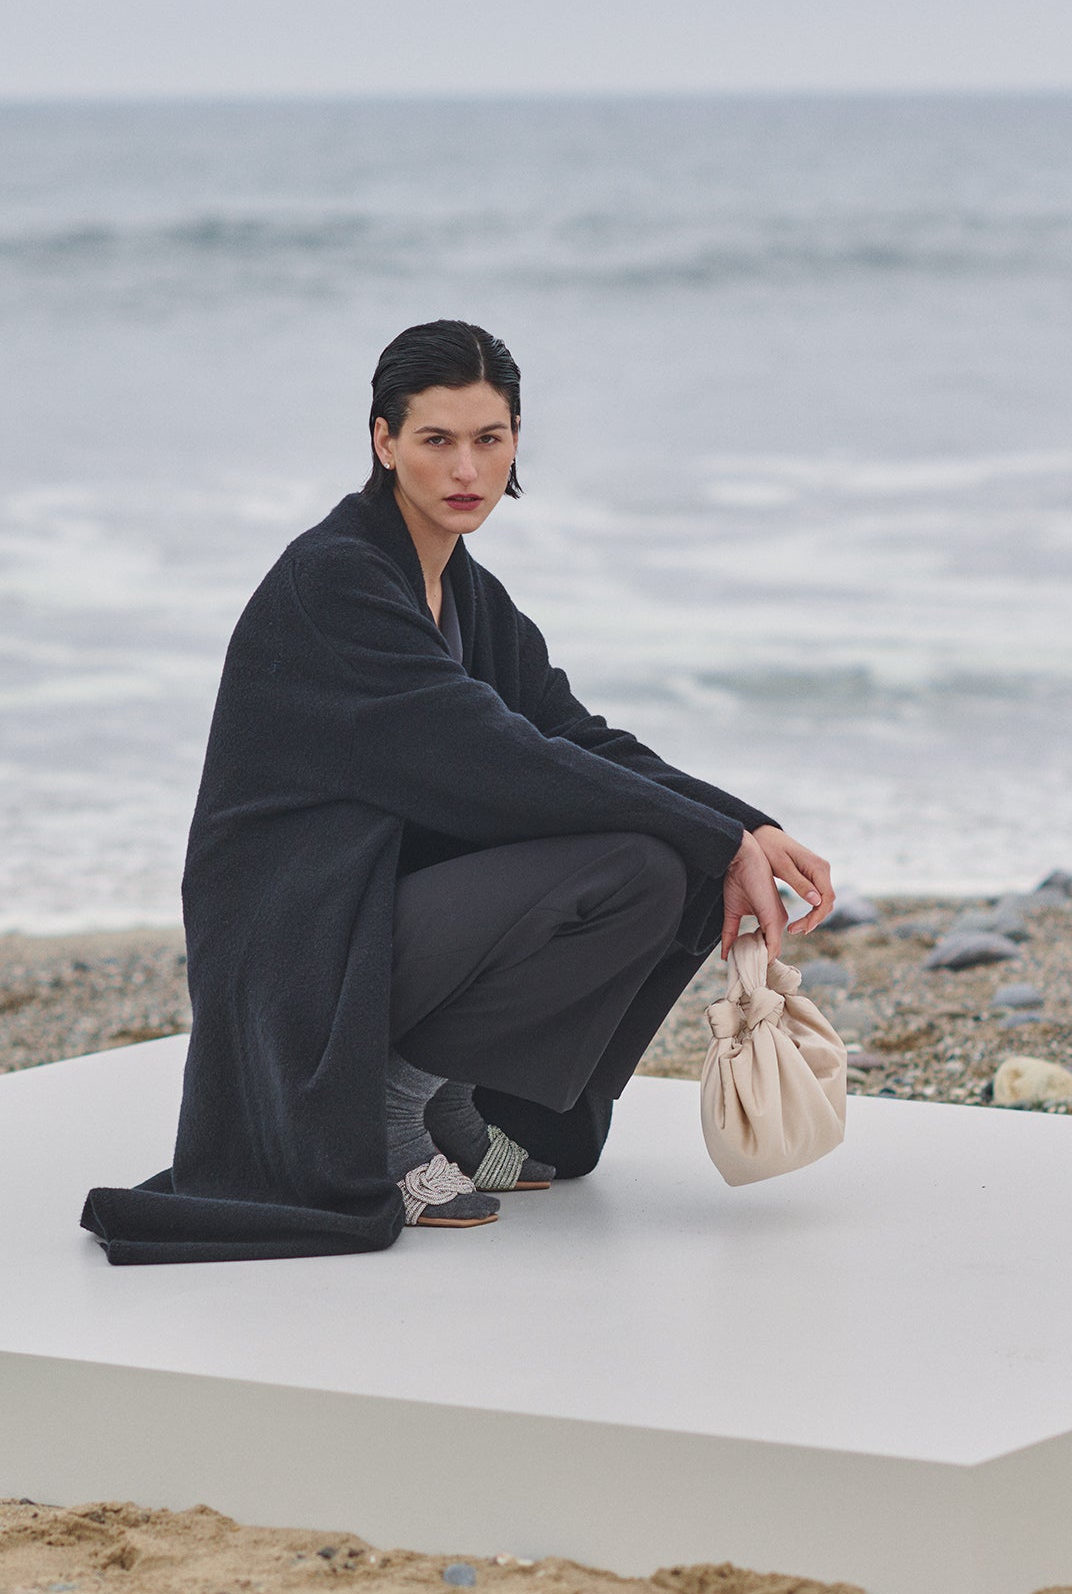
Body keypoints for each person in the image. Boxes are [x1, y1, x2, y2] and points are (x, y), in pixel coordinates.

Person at [81, 320, 834, 1265]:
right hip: (305, 945)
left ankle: (450, 1093)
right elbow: (498, 758)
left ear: (517, 438)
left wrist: (742, 826)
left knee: (673, 860)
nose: (466, 468)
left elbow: (573, 734)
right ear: (383, 440)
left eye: (491, 438)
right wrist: (713, 838)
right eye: (437, 440)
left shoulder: (466, 590)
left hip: (382, 914)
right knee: (637, 859)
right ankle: (394, 1104)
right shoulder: (338, 580)